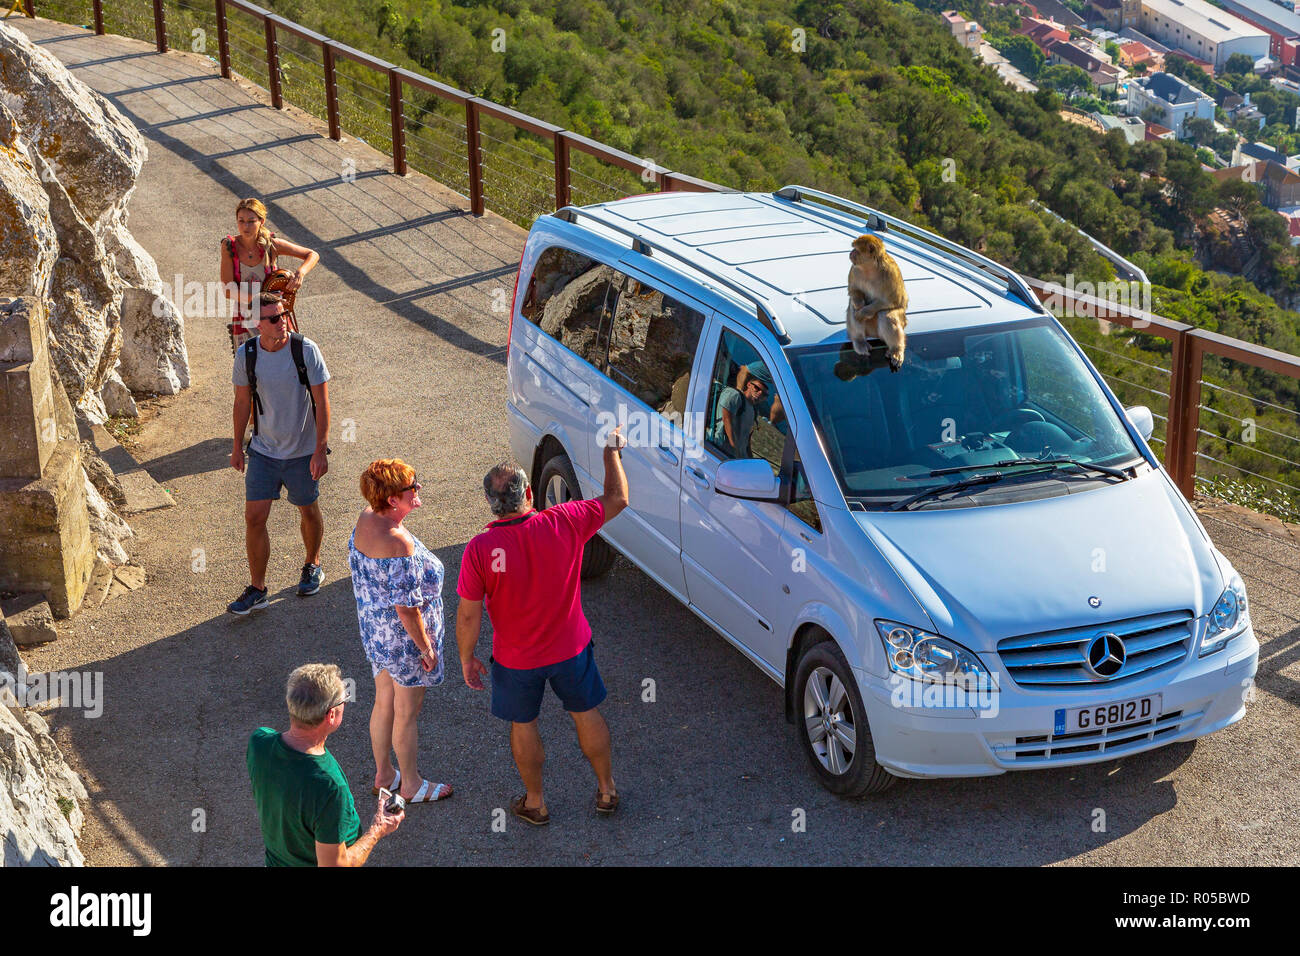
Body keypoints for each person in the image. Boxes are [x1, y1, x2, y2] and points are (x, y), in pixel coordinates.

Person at [456, 427, 629, 825]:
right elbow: (618, 498)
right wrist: (610, 452)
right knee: (586, 712)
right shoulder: (565, 521)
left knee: (524, 723)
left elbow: (469, 614)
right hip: (570, 648)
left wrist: (467, 658)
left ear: (490, 504)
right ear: (529, 495)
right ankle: (606, 790)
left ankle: (536, 801)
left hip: (516, 659)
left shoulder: (480, 550)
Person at [348, 459, 453, 806]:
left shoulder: (367, 517)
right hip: (403, 641)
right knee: (406, 714)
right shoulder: (398, 544)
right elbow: (407, 609)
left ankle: (384, 774)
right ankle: (410, 784)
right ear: (393, 499)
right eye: (412, 486)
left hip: (376, 633)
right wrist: (426, 648)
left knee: (383, 702)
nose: (418, 489)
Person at [227, 294, 331, 614]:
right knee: (254, 518)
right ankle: (258, 588)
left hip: (302, 452)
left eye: (283, 314)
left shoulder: (305, 350)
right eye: (273, 318)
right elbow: (242, 403)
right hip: (264, 451)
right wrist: (236, 447)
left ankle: (312, 563)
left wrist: (319, 450)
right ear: (257, 325)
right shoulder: (247, 355)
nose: (281, 320)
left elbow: (322, 403)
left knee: (307, 509)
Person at [246, 663, 404, 866]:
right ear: (330, 715)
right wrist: (378, 828)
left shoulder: (259, 742)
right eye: (344, 700)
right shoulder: (328, 786)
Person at [220, 197, 319, 351]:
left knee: (286, 356)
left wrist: (301, 272)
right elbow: (228, 290)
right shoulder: (229, 246)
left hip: (274, 316)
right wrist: (261, 301)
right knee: (251, 366)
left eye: (251, 221)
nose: (245, 226)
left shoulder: (272, 245)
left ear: (262, 221)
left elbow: (312, 254)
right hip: (246, 316)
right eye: (241, 221)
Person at [711, 361, 772, 458]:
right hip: (722, 452)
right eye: (756, 388)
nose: (759, 393)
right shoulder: (734, 395)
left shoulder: (754, 411)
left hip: (737, 458)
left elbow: (746, 439)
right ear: (748, 385)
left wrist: (750, 459)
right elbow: (727, 420)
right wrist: (734, 449)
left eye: (764, 394)